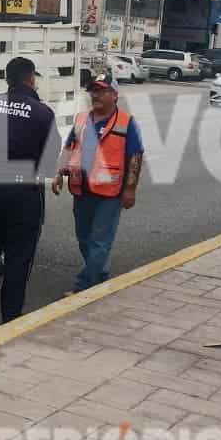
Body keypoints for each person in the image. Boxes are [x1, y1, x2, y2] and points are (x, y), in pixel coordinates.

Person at [0, 56, 62, 333]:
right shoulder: (43, 113)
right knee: (19, 257)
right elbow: (48, 160)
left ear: (7, 79)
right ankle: (10, 316)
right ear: (31, 79)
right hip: (23, 193)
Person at [52, 72, 144, 293]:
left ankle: (88, 288)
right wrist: (58, 172)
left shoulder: (126, 122)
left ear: (114, 95)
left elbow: (135, 156)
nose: (96, 95)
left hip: (109, 193)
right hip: (81, 189)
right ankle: (98, 273)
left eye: (102, 91)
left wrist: (130, 190)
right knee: (84, 237)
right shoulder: (82, 119)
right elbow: (69, 147)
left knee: (99, 241)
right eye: (94, 91)